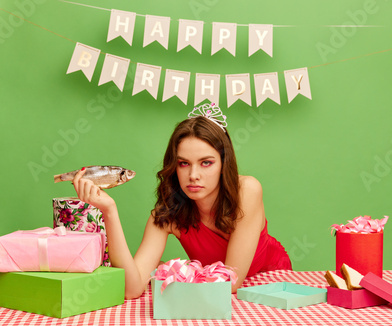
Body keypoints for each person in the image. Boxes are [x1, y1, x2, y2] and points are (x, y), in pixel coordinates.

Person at [73, 103, 292, 299]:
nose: (193, 175)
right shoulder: (168, 214)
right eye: (184, 164)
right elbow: (131, 289)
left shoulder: (248, 190)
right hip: (212, 295)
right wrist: (109, 211)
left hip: (270, 282)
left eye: (206, 163)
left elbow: (231, 281)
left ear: (224, 164)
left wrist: (174, 270)